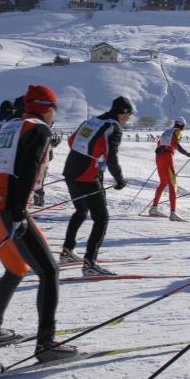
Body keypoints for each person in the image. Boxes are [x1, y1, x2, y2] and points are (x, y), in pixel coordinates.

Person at [0, 84, 76, 362]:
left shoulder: (9, 126)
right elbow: (27, 168)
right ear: (47, 108)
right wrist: (19, 212)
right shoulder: (39, 129)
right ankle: (46, 343)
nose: (54, 117)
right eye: (54, 110)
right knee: (49, 271)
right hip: (9, 209)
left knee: (16, 268)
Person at [60, 96, 132, 276]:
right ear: (122, 113)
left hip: (70, 170)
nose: (128, 119)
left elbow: (71, 141)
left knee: (81, 210)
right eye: (128, 115)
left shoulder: (92, 120)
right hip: (86, 176)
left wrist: (91, 155)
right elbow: (112, 157)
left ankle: (67, 251)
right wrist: (119, 179)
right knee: (101, 219)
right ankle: (90, 263)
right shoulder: (113, 127)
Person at [150, 117, 190, 221]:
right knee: (173, 183)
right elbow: (176, 144)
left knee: (163, 183)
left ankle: (153, 208)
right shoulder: (178, 131)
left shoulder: (166, 131)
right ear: (182, 125)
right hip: (167, 157)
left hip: (159, 157)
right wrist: (188, 154)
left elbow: (159, 145)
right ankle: (173, 213)